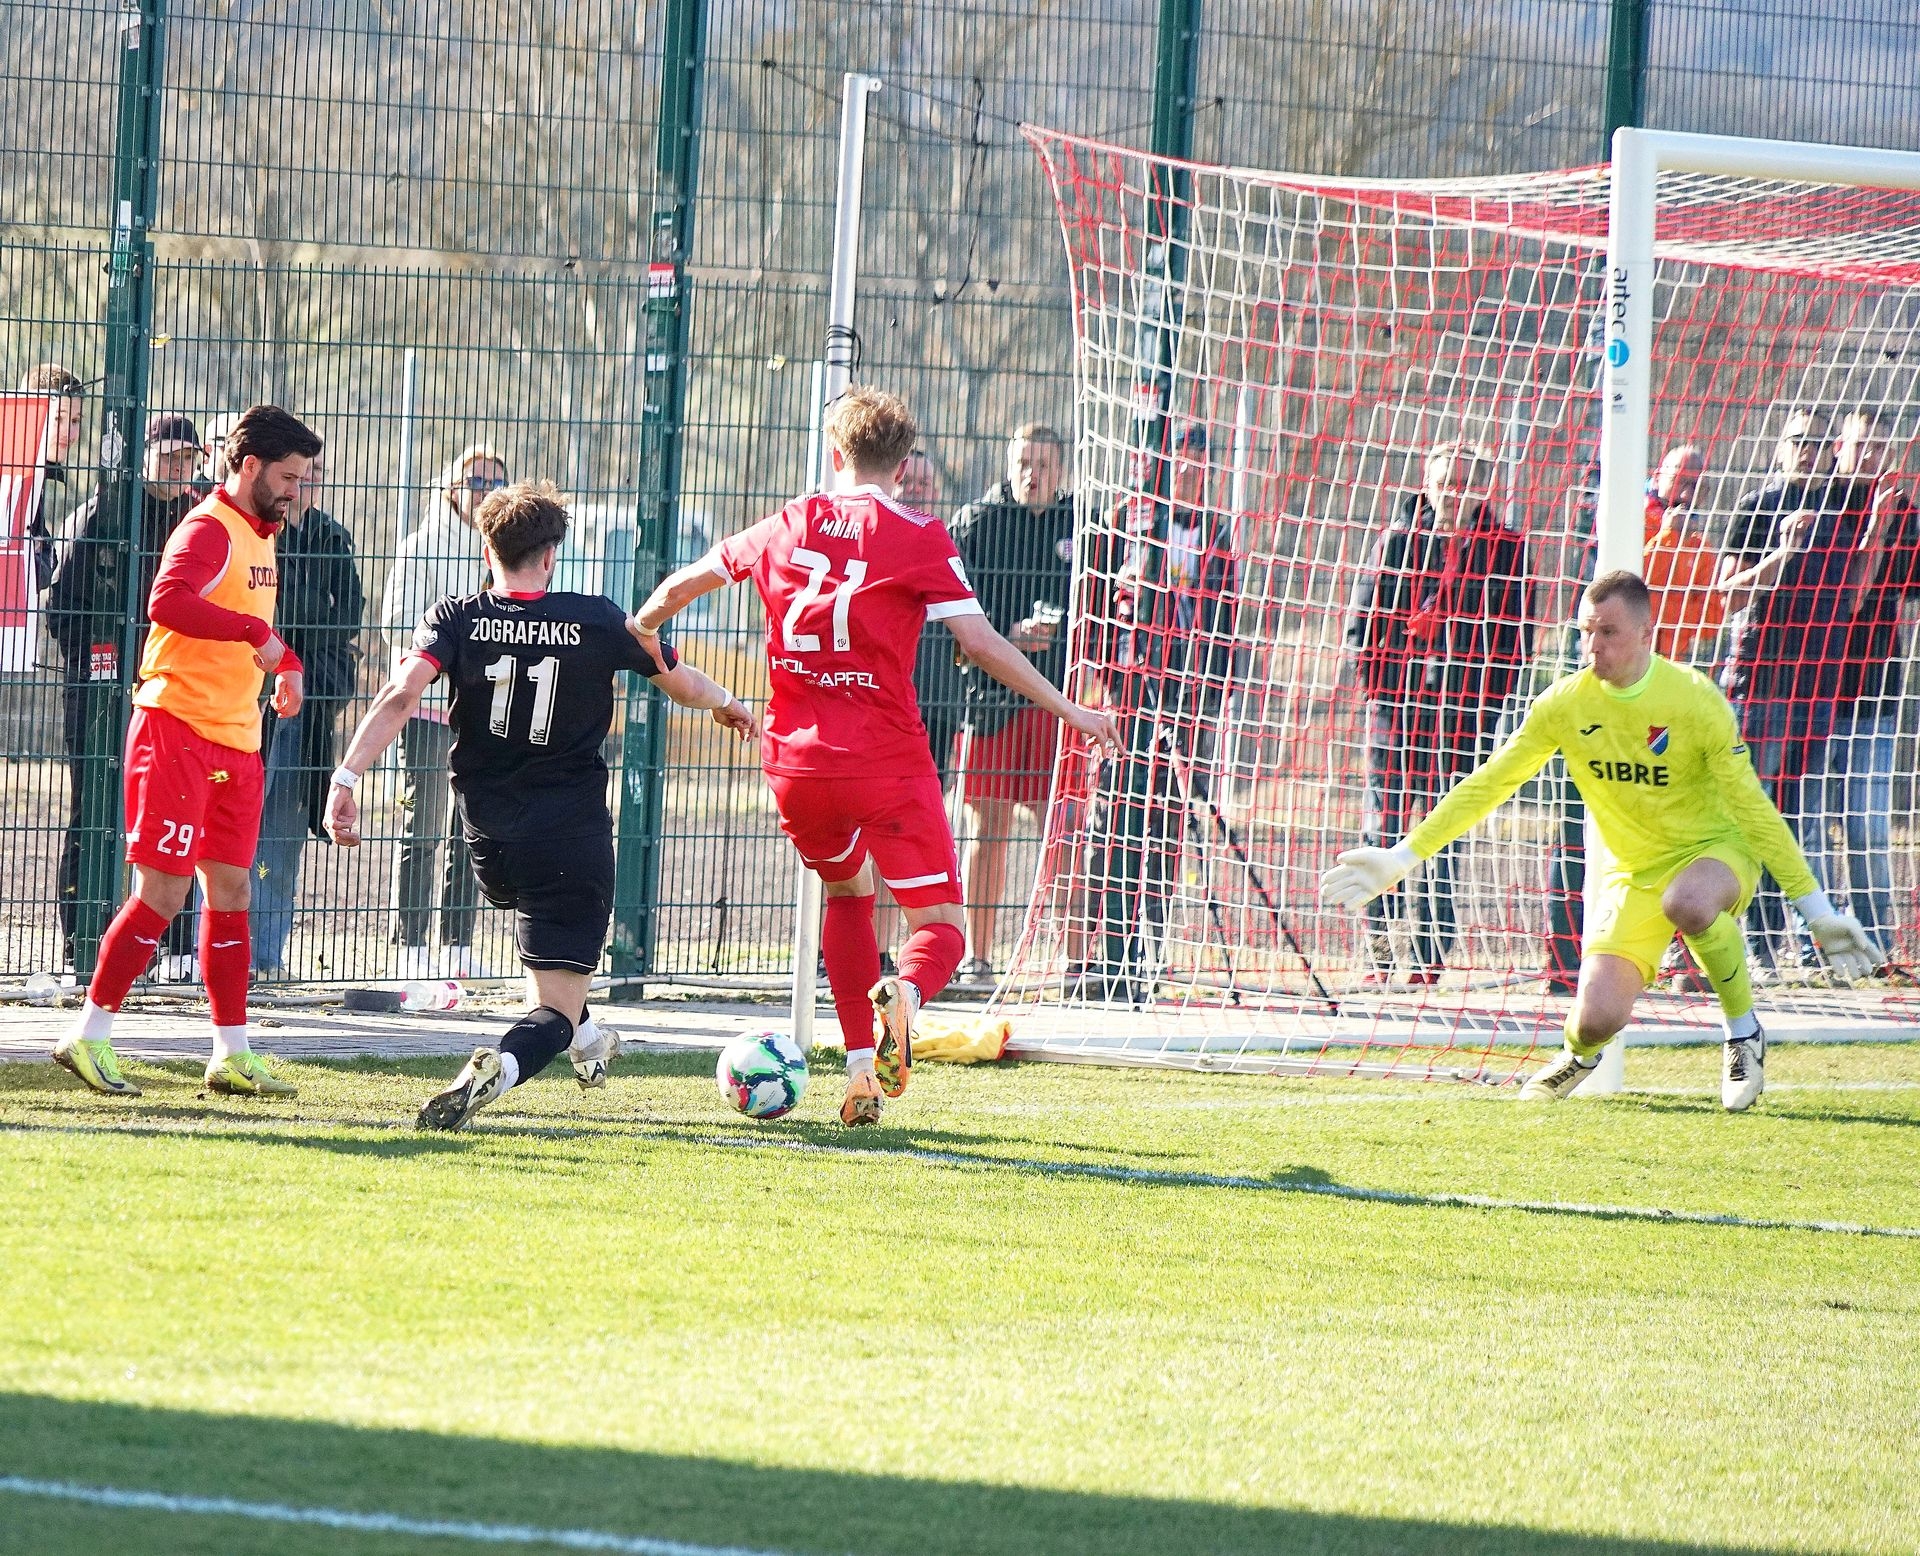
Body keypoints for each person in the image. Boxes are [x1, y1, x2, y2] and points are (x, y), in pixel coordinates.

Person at [631, 387, 1119, 1127]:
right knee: (942, 929)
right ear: (903, 465)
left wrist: (641, 630)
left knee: (847, 894)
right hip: (886, 760)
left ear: (836, 453)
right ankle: (907, 996)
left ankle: (862, 1070)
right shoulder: (919, 535)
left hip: (796, 765)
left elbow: (683, 585)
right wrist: (1071, 709)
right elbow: (981, 644)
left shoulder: (787, 521)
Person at [1322, 569, 1881, 1112]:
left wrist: (1816, 910)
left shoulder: (1693, 699)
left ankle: (1742, 1033)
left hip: (1716, 851)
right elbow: (1491, 782)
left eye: (1608, 632)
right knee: (1595, 1020)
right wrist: (1404, 855)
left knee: (1687, 902)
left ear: (1645, 633)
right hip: (1632, 871)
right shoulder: (1566, 703)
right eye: (1587, 631)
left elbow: (1754, 810)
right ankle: (1578, 1056)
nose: (1593, 646)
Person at [326, 479, 754, 1129]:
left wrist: (347, 777)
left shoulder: (455, 617)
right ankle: (500, 1065)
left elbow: (400, 695)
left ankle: (591, 1040)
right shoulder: (597, 619)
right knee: (552, 1011)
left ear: (487, 550)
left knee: (556, 975)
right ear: (551, 555)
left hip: (489, 838)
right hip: (567, 837)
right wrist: (726, 701)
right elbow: (680, 681)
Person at [50, 405, 321, 1100]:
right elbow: (166, 601)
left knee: (232, 890)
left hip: (238, 739)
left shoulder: (261, 535)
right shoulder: (208, 527)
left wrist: (286, 665)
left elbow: (253, 631)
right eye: (290, 477)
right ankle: (88, 1034)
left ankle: (231, 1053)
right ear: (250, 466)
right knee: (163, 892)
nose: (296, 490)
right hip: (176, 731)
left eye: (303, 478)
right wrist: (256, 638)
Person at [1343, 438, 1532, 983]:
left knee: (1443, 832)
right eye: (1444, 482)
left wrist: (1487, 707)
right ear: (1427, 485)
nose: (1452, 494)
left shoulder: (1506, 549)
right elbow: (1363, 618)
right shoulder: (1397, 540)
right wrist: (1378, 689)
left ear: (1482, 490)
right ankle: (1379, 949)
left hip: (1462, 713)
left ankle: (1429, 955)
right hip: (1398, 707)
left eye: (1463, 484)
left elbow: (1516, 637)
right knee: (1382, 825)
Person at [1078, 420, 1240, 1002]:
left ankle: (1151, 952)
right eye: (1180, 460)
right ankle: (1108, 955)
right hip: (1128, 695)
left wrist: (1215, 685)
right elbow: (1095, 601)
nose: (1189, 471)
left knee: (1168, 825)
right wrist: (1104, 669)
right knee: (1114, 822)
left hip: (1187, 697)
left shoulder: (1214, 532)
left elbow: (1227, 614)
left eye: (1199, 462)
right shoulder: (1128, 522)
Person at [45, 411, 203, 977]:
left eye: (188, 458)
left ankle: (174, 949)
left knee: (174, 813)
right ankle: (82, 942)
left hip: (176, 692)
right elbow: (61, 609)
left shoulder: (197, 520)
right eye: (169, 456)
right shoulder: (102, 515)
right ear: (144, 457)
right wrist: (106, 661)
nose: (179, 467)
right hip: (101, 694)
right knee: (94, 812)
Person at [1715, 407, 1864, 972]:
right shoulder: (1758, 507)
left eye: (1820, 443)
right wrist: (1782, 551)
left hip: (1818, 689)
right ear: (1780, 448)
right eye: (1799, 440)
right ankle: (1756, 948)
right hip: (1761, 685)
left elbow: (1851, 598)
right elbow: (1727, 594)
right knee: (1754, 819)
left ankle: (1808, 948)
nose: (1809, 451)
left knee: (1802, 824)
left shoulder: (1843, 512)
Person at [948, 423, 1076, 980]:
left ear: (1061, 470)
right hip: (990, 699)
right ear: (1009, 464)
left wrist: (1057, 635)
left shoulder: (1082, 527)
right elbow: (954, 615)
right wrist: (1006, 636)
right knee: (987, 827)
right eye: (1024, 463)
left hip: (1057, 701)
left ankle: (1074, 960)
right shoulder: (977, 524)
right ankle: (977, 959)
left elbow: (1101, 604)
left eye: (1044, 465)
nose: (1033, 474)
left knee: (1064, 826)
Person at [380, 443, 503, 978]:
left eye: (496, 483)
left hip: (484, 709)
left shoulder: (504, 550)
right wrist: (454, 655)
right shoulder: (421, 548)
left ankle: (457, 945)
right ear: (451, 490)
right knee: (424, 826)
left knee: (471, 829)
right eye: (476, 482)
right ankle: (409, 944)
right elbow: (397, 622)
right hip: (431, 707)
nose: (486, 492)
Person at [1805, 409, 1917, 962]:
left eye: (1877, 447)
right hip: (1810, 689)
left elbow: (1904, 593)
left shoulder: (1904, 512)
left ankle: (1877, 944)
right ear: (1838, 450)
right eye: (1858, 446)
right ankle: (1816, 943)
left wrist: (1891, 522)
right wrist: (1874, 527)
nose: (1868, 456)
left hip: (1873, 689)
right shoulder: (1818, 506)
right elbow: (1848, 595)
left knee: (1867, 827)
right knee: (1807, 826)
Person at [250, 443, 366, 975]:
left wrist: (300, 617)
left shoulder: (331, 537)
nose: (307, 481)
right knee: (233, 828)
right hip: (255, 698)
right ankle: (214, 952)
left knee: (283, 832)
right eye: (299, 473)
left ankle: (266, 956)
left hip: (309, 706)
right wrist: (312, 612)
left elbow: (347, 619)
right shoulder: (257, 532)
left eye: (317, 472)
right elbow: (273, 612)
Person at [1642, 444, 1723, 662]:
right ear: (1657, 479)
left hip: (1672, 665)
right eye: (1679, 481)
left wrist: (1659, 607)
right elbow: (1632, 586)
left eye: (1695, 486)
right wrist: (1669, 536)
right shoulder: (1634, 521)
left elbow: (1711, 621)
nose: (1686, 495)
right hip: (1627, 658)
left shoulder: (1700, 547)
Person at [18, 363, 85, 598]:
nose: (69, 433)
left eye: (75, 421)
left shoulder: (37, 471)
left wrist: (36, 551)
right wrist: (33, 552)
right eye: (58, 418)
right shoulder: (13, 474)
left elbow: (43, 560)